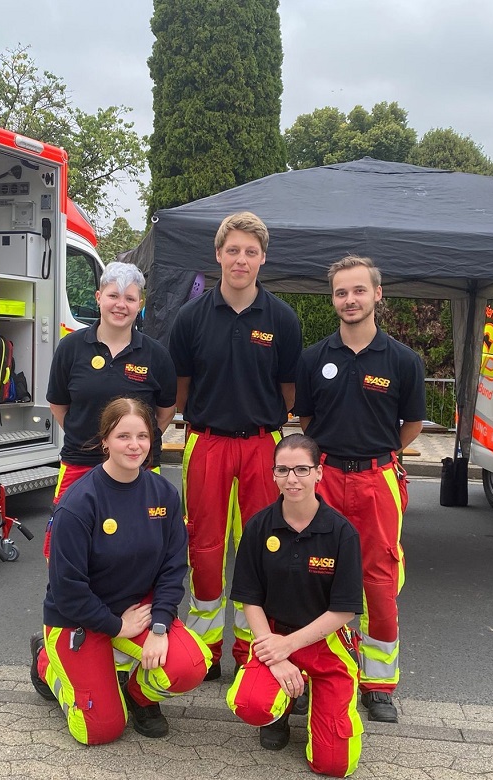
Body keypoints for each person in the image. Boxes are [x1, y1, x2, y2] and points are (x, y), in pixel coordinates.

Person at [166, 211, 303, 680]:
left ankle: (252, 647)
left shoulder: (282, 319)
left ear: (263, 258)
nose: (240, 259)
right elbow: (180, 388)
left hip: (263, 447)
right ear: (218, 255)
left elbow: (289, 391)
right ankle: (205, 647)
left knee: (261, 545)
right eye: (233, 250)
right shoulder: (191, 318)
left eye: (250, 251)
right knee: (203, 546)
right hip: (206, 443)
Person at [30, 397, 210, 745]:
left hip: (139, 613)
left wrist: (160, 624)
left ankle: (136, 694)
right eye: (123, 436)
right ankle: (46, 663)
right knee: (99, 731)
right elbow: (67, 588)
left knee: (190, 666)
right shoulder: (79, 502)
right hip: (78, 618)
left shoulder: (164, 494)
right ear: (105, 441)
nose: (134, 445)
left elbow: (174, 568)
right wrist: (116, 625)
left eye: (142, 436)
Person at [292, 255, 425, 724]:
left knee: (379, 579)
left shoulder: (405, 361)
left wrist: (374, 455)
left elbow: (411, 426)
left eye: (358, 291)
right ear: (333, 300)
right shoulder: (313, 359)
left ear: (377, 295)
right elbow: (307, 422)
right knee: (312, 574)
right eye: (341, 293)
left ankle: (378, 683)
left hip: (377, 481)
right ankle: (307, 673)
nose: (350, 300)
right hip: (323, 478)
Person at [227, 434, 364, 777]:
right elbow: (250, 598)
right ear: (273, 474)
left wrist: (289, 647)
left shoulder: (341, 532)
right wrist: (276, 655)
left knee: (334, 765)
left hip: (324, 641)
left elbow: (344, 610)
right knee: (250, 704)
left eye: (302, 469)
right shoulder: (259, 526)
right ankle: (282, 707)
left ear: (319, 473)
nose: (292, 479)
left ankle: (322, 700)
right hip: (273, 636)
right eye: (283, 470)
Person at [45, 261, 176, 556]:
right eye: (113, 296)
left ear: (139, 304)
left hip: (137, 468)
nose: (121, 305)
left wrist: (132, 444)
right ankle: (75, 603)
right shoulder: (71, 348)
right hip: (81, 463)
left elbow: (164, 413)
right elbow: (59, 404)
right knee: (63, 549)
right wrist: (95, 439)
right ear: (98, 298)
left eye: (129, 298)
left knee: (138, 547)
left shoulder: (157, 355)